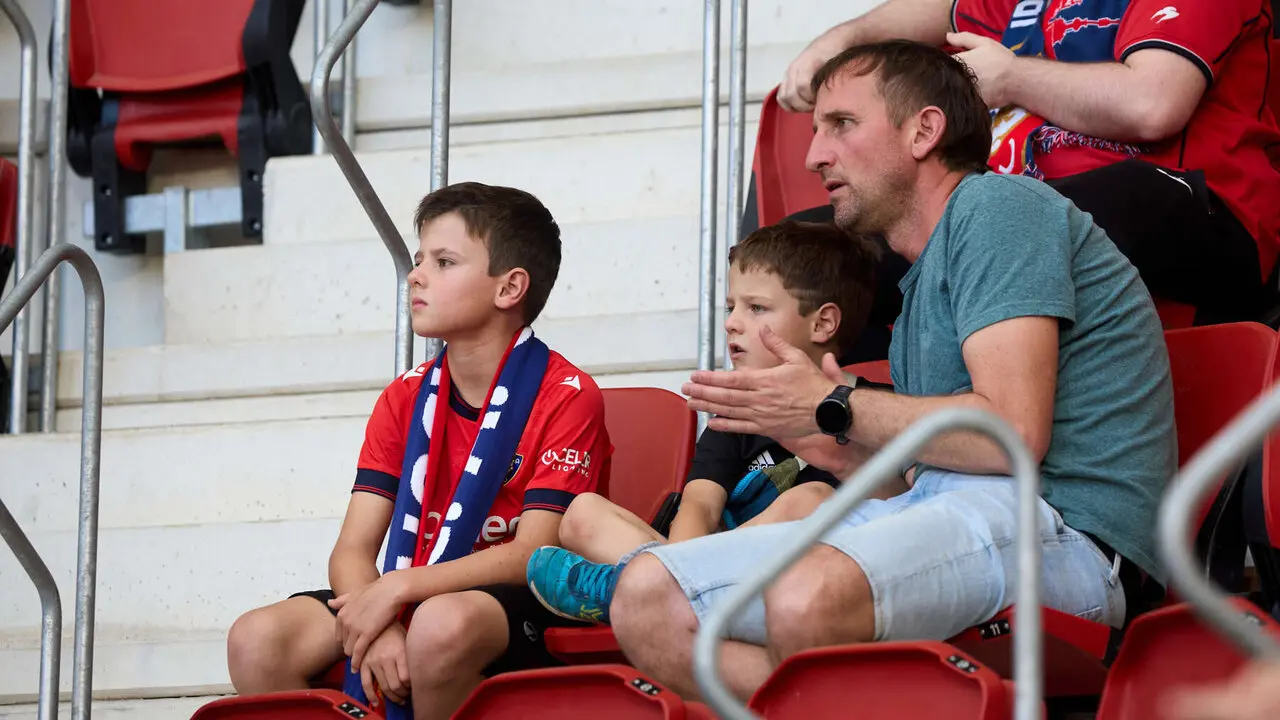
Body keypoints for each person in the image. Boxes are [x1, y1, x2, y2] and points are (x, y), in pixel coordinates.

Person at [607, 40, 1177, 702]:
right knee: (647, 596)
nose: (814, 154)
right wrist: (828, 445)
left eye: (841, 125)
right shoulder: (916, 288)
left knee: (809, 595)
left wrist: (836, 405)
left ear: (924, 131)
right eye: (817, 129)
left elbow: (1013, 436)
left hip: (1065, 532)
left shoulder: (1000, 208)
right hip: (948, 509)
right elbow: (929, 474)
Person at [225, 182, 613, 720]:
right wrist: (378, 626)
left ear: (509, 288)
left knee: (436, 626)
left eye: (444, 261)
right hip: (411, 594)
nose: (416, 275)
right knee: (256, 639)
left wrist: (399, 589)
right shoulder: (404, 395)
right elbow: (353, 551)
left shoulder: (567, 396)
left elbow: (533, 555)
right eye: (418, 259)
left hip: (521, 602)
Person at [773, 0, 1280, 326]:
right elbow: (937, 10)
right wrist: (842, 40)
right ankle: (806, 462)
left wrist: (1011, 77)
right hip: (1019, 213)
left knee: (1050, 208)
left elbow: (1155, 105)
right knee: (811, 255)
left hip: (1199, 210)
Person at [524, 220, 888, 625]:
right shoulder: (733, 412)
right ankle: (673, 591)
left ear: (822, 324)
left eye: (757, 308)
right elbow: (699, 504)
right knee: (582, 512)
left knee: (812, 499)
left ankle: (635, 591)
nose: (732, 321)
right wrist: (686, 565)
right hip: (714, 564)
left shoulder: (876, 407)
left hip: (798, 586)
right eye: (732, 306)